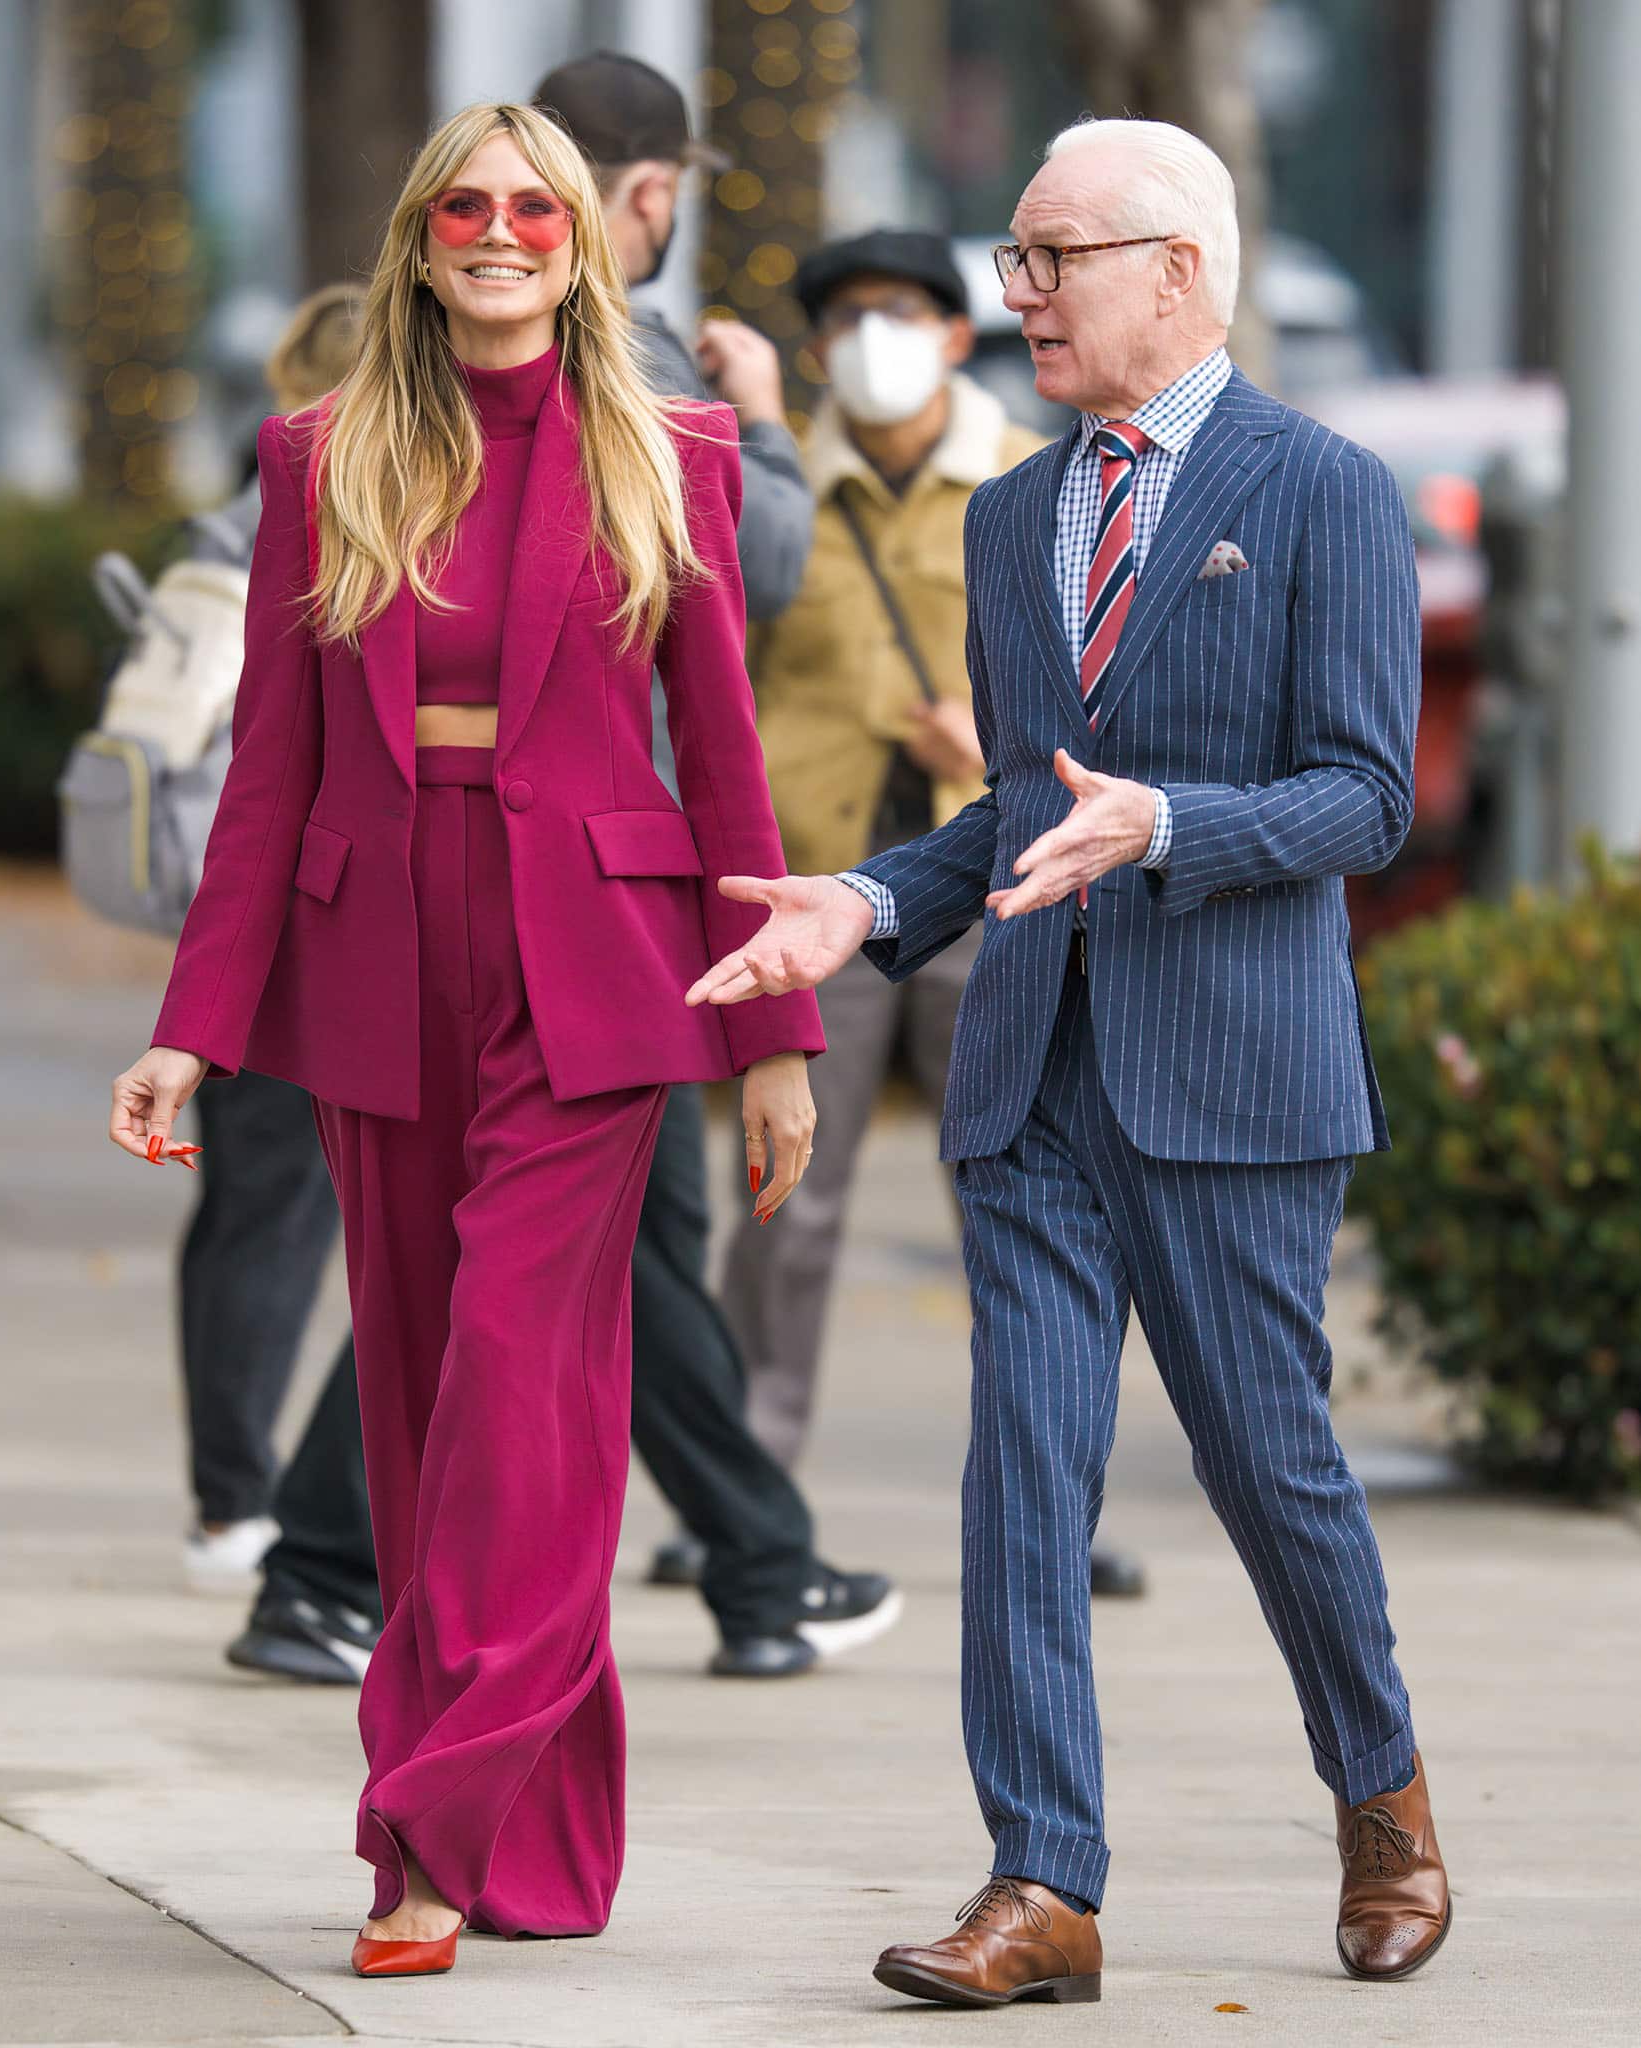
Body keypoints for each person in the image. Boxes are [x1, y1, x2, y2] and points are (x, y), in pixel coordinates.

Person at [688, 117, 1448, 2003]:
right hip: (1030, 1075)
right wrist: (866, 905)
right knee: (1020, 1471)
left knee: (1268, 1464)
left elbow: (1362, 798)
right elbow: (1019, 807)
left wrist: (1170, 829)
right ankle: (1043, 1885)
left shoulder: (1326, 490)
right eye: (1009, 260)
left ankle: (1383, 1801)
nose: (1008, 293)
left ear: (1174, 269)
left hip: (1236, 1081)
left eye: (1048, 258)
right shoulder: (1008, 514)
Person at [109, 101, 821, 1977]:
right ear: (419, 238)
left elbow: (726, 757)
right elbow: (266, 773)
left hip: (596, 966)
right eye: (463, 209)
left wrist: (776, 1034)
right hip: (376, 961)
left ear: (584, 241)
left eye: (534, 208)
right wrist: (195, 1030)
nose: (499, 234)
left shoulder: (674, 451)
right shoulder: (319, 454)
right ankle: (539, 1839)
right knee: (431, 1416)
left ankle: (423, 1829)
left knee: (518, 1383)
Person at [534, 51, 900, 1674]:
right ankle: (760, 1561)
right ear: (650, 192)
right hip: (610, 876)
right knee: (603, 1231)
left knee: (581, 1235)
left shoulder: (460, 353)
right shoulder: (632, 343)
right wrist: (756, 419)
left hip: (560, 875)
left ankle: (758, 1562)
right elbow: (743, 576)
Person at [716, 228, 1144, 1605]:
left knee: (1024, 1211)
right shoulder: (777, 487)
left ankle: (1051, 1511)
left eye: (895, 313)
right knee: (788, 1197)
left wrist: (993, 735)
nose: (867, 341)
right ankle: (742, 1502)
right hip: (829, 884)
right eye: (840, 319)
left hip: (1003, 885)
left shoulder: (1036, 478)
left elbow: (1104, 681)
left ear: (955, 336)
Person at [170, 286, 383, 1681]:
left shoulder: (235, 521)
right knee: (281, 1215)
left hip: (254, 919)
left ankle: (241, 1501)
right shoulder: (307, 513)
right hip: (293, 920)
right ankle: (262, 1516)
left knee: (260, 1214)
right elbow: (263, 764)